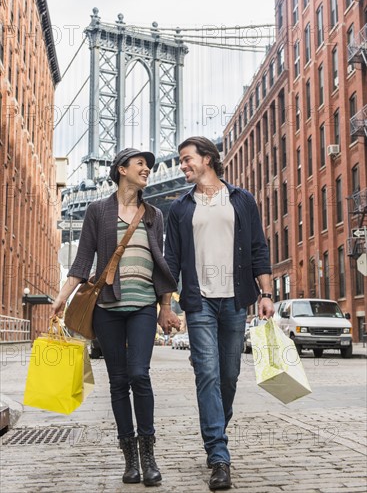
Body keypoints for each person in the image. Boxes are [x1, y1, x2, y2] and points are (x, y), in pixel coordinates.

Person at [52, 148, 180, 487]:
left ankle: (149, 453)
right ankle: (130, 458)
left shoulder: (154, 214)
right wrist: (61, 299)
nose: (148, 169)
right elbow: (82, 262)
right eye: (141, 164)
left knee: (140, 374)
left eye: (150, 166)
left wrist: (165, 306)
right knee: (118, 381)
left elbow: (162, 266)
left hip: (141, 308)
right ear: (121, 169)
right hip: (107, 309)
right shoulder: (98, 211)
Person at [164, 137, 274, 491]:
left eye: (186, 160)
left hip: (236, 298)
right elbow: (171, 261)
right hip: (200, 302)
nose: (181, 166)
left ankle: (215, 429)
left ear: (207, 159)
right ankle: (219, 455)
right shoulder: (180, 208)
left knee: (228, 375)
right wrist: (166, 304)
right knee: (207, 373)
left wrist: (267, 293)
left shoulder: (242, 200)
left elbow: (258, 247)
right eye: (181, 162)